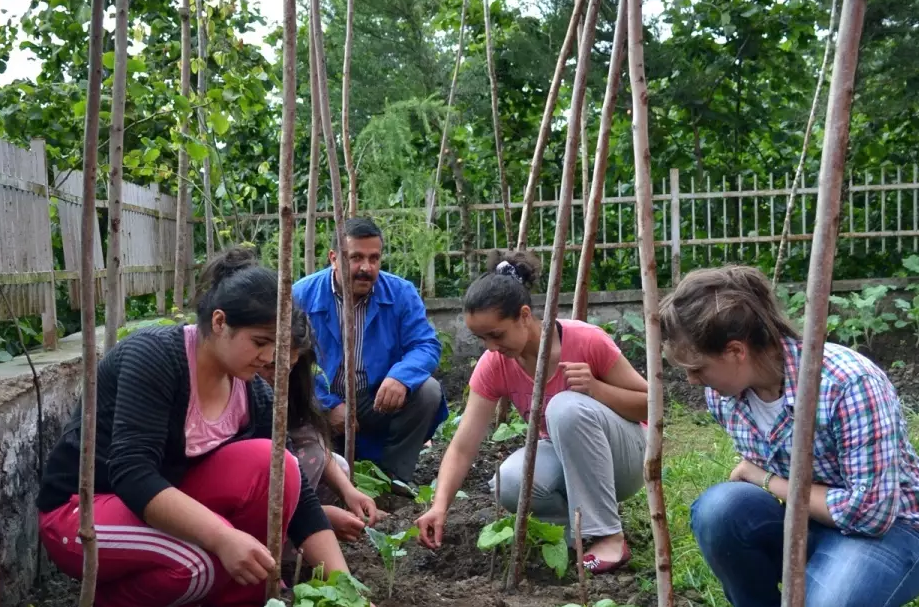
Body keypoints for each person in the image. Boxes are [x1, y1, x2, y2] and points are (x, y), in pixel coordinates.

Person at [37, 249, 365, 607]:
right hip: (81, 512)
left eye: (276, 348)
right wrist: (222, 537)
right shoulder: (155, 357)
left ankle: (236, 606)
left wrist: (348, 592)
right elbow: (133, 473)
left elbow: (289, 490)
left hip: (149, 510)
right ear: (220, 322)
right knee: (201, 563)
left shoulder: (252, 391)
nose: (268, 358)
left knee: (276, 464)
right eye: (260, 342)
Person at [661, 265, 919, 607]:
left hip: (892, 532)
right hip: (813, 520)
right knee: (718, 510)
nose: (691, 379)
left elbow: (871, 514)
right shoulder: (725, 396)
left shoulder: (849, 384)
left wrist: (763, 479)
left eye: (697, 367)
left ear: (736, 351)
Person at [416, 250, 648, 571]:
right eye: (482, 338)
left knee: (564, 408)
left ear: (525, 315)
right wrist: (439, 507)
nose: (491, 347)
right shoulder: (496, 363)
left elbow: (651, 404)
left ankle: (608, 535)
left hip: (627, 458)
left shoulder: (585, 340)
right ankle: (573, 538)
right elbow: (463, 445)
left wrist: (596, 389)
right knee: (509, 483)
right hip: (572, 461)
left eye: (496, 334)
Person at [293, 215, 447, 484]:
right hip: (315, 402)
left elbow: (425, 344)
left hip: (375, 399)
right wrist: (326, 405)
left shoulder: (401, 293)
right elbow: (288, 361)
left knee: (427, 391)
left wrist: (401, 376)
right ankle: (322, 478)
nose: (366, 267)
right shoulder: (302, 296)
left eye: (374, 258)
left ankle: (394, 477)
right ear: (333, 258)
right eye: (356, 258)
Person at [261, 306, 386, 544]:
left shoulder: (291, 385)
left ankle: (303, 540)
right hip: (250, 499)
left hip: (285, 487)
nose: (278, 374)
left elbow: (307, 436)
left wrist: (349, 492)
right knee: (300, 460)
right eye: (271, 365)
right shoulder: (245, 388)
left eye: (289, 366)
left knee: (333, 462)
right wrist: (320, 516)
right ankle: (285, 541)